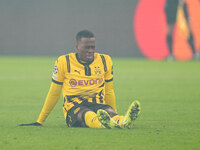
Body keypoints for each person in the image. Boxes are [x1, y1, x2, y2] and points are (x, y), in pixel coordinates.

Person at [19, 30, 141, 129]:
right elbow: (54, 93)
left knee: (109, 111)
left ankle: (122, 121)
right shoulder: (63, 62)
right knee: (87, 114)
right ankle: (102, 124)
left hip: (97, 104)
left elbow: (109, 90)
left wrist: (114, 112)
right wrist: (40, 120)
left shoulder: (105, 61)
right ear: (77, 47)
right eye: (86, 47)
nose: (90, 51)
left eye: (93, 47)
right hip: (74, 107)